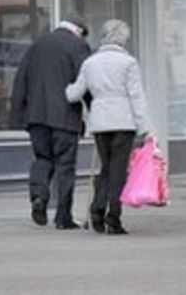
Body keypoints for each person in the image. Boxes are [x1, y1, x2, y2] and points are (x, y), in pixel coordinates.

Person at [66, 19, 153, 235]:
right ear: (123, 38)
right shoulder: (128, 63)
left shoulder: (90, 63)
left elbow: (74, 94)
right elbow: (136, 96)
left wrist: (65, 88)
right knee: (118, 171)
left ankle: (97, 210)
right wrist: (145, 127)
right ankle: (113, 218)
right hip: (123, 121)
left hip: (100, 122)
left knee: (106, 168)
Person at [11, 14, 91, 230]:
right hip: (65, 117)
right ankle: (63, 218)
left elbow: (20, 80)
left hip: (36, 117)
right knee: (65, 166)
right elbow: (86, 80)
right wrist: (94, 110)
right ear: (79, 31)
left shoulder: (37, 44)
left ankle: (38, 196)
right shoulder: (78, 46)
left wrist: (19, 114)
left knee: (42, 159)